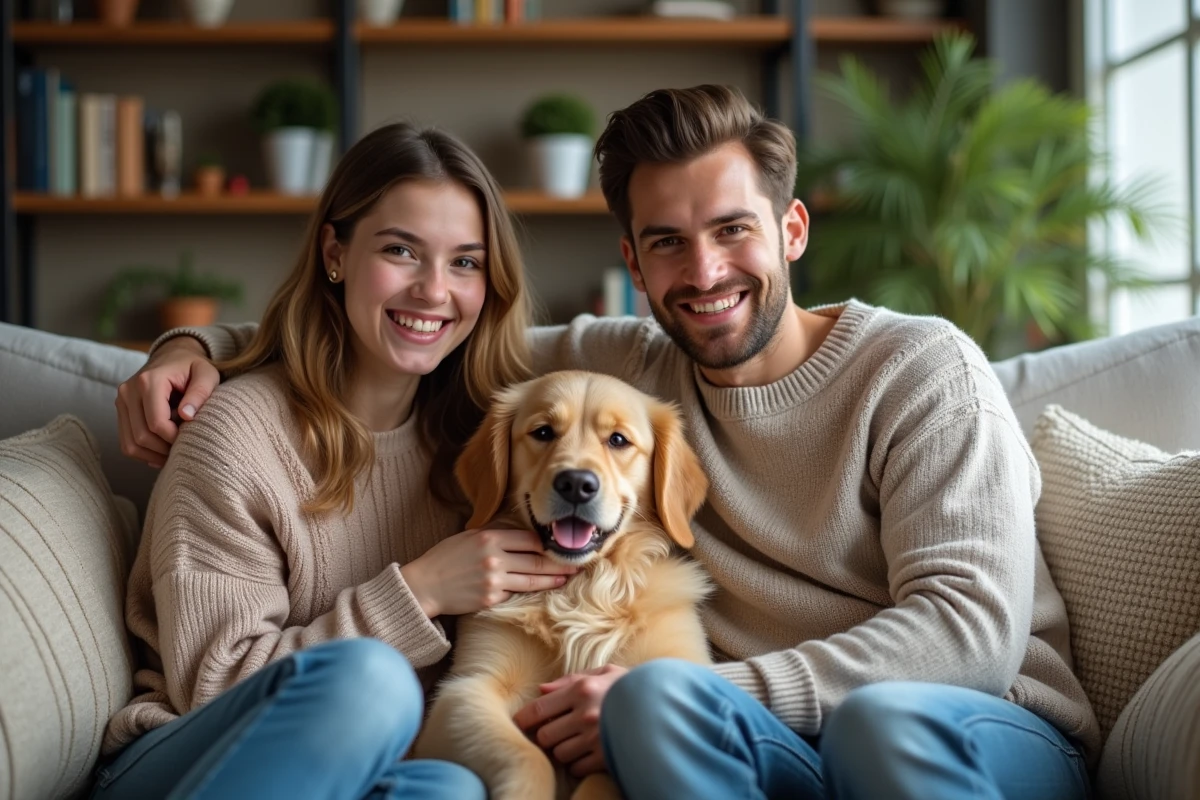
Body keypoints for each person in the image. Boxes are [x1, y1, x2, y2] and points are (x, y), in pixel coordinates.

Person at [115, 86, 1098, 800]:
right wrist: (196, 347)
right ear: (632, 262)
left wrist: (699, 687)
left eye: (732, 229)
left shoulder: (921, 370)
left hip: (966, 720)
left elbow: (968, 634)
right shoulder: (627, 369)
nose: (705, 269)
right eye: (667, 240)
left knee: (835, 718)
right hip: (741, 731)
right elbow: (414, 331)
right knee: (637, 716)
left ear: (792, 229)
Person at [97, 122, 580, 799]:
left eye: (466, 262)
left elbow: (641, 352)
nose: (435, 291)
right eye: (402, 251)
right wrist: (421, 592)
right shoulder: (233, 435)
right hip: (188, 757)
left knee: (450, 791)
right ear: (335, 252)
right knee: (370, 680)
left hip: (370, 769)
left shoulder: (488, 443)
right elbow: (214, 686)